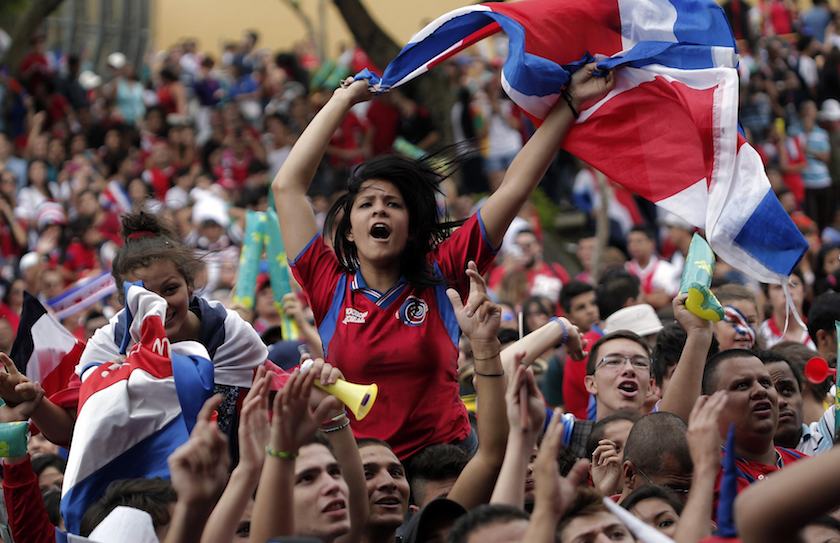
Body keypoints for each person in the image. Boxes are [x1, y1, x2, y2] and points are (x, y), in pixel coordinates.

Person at [273, 67, 613, 458]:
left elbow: (515, 186)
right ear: (349, 230)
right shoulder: (327, 282)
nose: (378, 211)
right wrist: (343, 100)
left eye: (393, 205)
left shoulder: (443, 272)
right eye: (366, 204)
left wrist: (569, 104)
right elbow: (287, 187)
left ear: (412, 227)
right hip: (367, 470)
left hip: (448, 464)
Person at [0, 211, 267, 452]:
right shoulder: (107, 346)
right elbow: (73, 429)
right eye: (144, 296)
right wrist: (35, 402)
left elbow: (270, 404)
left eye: (170, 289)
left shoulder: (230, 333)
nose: (159, 305)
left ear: (190, 286)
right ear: (122, 301)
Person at [625, 226, 679, 310]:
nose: (634, 245)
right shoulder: (625, 269)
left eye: (639, 241)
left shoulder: (665, 269)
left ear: (651, 243)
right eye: (630, 242)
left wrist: (640, 297)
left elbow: (663, 300)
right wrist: (650, 296)